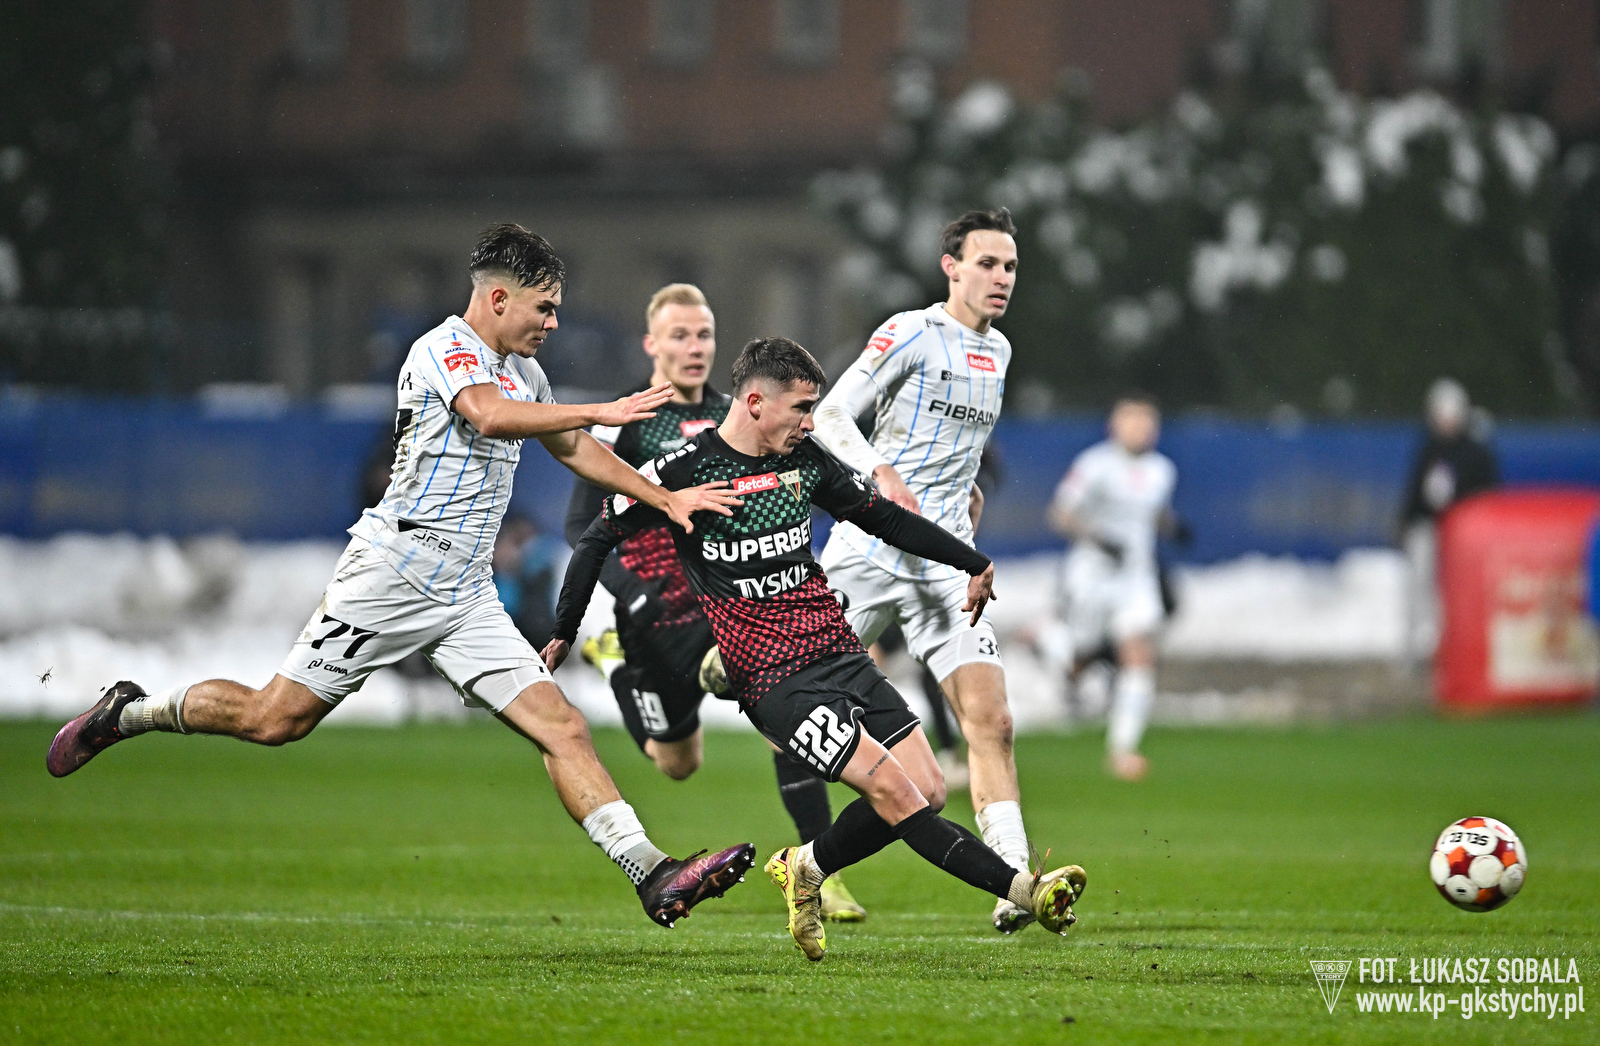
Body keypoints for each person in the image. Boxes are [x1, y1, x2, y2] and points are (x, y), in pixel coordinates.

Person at [46, 224, 755, 929]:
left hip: (466, 593)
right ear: (499, 299)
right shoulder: (444, 348)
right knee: (274, 720)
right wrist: (600, 408)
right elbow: (486, 415)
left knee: (562, 726)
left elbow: (571, 447)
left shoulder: (528, 374)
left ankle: (652, 874)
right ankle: (128, 713)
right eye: (544, 307)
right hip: (393, 573)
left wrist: (663, 498)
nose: (553, 322)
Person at [546, 337, 1086, 962]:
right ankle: (1023, 890)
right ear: (755, 402)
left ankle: (807, 866)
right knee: (897, 794)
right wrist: (564, 630)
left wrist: (971, 560)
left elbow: (882, 518)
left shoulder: (803, 459)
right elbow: (595, 537)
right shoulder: (684, 471)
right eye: (802, 408)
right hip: (774, 679)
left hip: (839, 652)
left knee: (930, 787)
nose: (810, 422)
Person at [563, 284, 867, 922]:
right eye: (679, 335)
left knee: (789, 718)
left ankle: (822, 872)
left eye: (703, 334)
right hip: (656, 614)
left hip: (728, 600)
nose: (694, 347)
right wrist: (637, 595)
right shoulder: (627, 420)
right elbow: (580, 526)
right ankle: (614, 660)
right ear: (652, 344)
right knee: (677, 762)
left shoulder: (740, 415)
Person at [802, 207, 1044, 935]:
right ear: (952, 267)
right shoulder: (910, 331)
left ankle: (1015, 881)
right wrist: (878, 471)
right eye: (987, 263)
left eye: (1010, 266)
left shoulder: (1000, 351)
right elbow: (829, 416)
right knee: (800, 701)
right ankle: (810, 861)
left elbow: (955, 447)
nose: (1001, 278)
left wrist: (966, 493)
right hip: (869, 549)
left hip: (943, 561)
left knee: (992, 720)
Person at [1043, 394, 1178, 782]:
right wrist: (1098, 538)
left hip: (1135, 578)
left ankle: (1123, 750)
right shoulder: (1094, 464)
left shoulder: (1163, 470)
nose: (1140, 428)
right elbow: (1060, 513)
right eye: (1131, 420)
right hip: (1091, 578)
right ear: (1114, 425)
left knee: (1138, 653)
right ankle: (1046, 644)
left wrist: (1171, 526)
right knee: (1080, 656)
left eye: (1146, 421)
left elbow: (1152, 513)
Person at [1398, 378, 1499, 672]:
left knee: (1458, 594)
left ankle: (1455, 651)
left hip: (1463, 537)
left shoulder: (1475, 452)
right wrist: (1407, 519)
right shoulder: (1428, 449)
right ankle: (1417, 651)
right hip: (1429, 529)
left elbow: (1487, 495)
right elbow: (1416, 492)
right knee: (1419, 590)